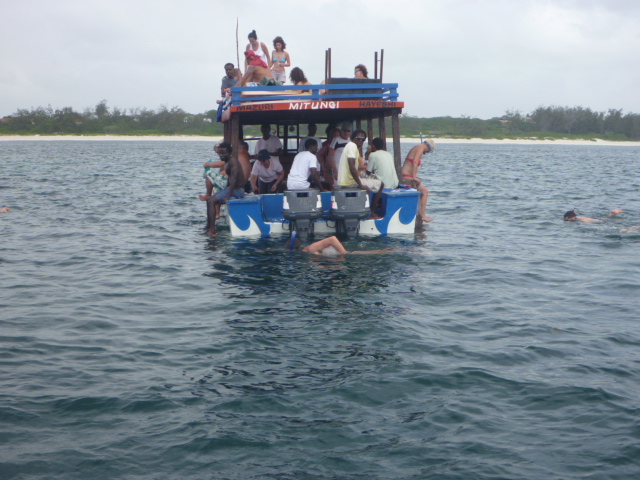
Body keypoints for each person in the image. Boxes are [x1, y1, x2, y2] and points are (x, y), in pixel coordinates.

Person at [337, 130, 384, 218]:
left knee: (370, 179)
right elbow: (352, 167)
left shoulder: (350, 146)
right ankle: (371, 212)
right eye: (358, 138)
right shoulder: (352, 146)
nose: (361, 141)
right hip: (349, 182)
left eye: (363, 139)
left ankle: (366, 208)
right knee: (381, 184)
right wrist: (361, 185)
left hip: (345, 181)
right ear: (352, 138)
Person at [205, 143, 246, 236]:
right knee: (209, 200)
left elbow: (234, 179)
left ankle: (213, 231)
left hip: (238, 191)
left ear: (230, 153)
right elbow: (229, 179)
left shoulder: (233, 161)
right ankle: (209, 226)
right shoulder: (227, 161)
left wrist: (228, 195)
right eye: (220, 153)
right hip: (231, 189)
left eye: (224, 153)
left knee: (211, 201)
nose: (221, 155)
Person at [401, 139, 435, 223]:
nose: (426, 153)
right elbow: (415, 162)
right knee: (425, 192)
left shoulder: (417, 147)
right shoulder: (420, 148)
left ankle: (419, 214)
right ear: (428, 146)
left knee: (421, 192)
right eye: (429, 151)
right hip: (407, 176)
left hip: (407, 175)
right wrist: (414, 177)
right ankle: (423, 215)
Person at [285, 234, 396, 256]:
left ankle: (397, 250)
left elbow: (333, 239)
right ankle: (394, 250)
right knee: (375, 253)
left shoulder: (312, 248)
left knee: (374, 253)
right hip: (337, 253)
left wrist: (343, 254)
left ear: (294, 250)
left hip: (346, 253)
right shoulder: (310, 251)